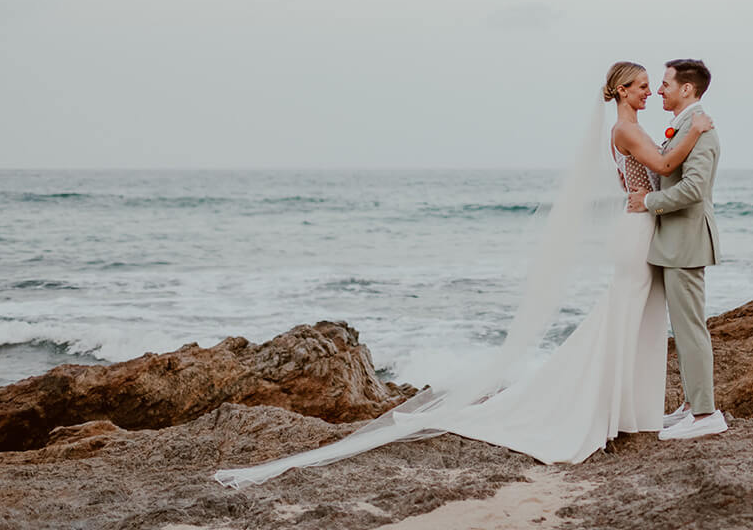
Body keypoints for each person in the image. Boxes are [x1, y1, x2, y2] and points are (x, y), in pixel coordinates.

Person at [212, 60, 720, 488]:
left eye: (658, 84)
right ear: (621, 91)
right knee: (621, 318)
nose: (652, 90)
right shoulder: (629, 128)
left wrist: (680, 145)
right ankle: (602, 407)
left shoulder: (635, 125)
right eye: (642, 85)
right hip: (637, 234)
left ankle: (633, 408)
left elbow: (665, 167)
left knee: (633, 319)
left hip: (643, 230)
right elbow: (663, 161)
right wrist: (693, 129)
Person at [625, 59, 726, 439]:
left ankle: (705, 415)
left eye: (666, 83)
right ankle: (689, 405)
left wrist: (648, 202)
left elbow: (694, 190)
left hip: (687, 242)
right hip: (674, 242)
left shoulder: (702, 131)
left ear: (687, 88)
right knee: (682, 328)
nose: (660, 89)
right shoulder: (685, 127)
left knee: (691, 329)